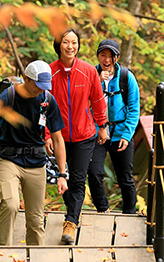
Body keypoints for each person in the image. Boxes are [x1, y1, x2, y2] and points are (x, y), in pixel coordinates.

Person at [0, 60, 68, 246]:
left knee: (35, 219)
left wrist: (62, 174)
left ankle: (35, 256)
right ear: (26, 78)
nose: (40, 90)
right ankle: (2, 253)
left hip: (36, 162)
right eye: (38, 85)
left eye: (44, 86)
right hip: (8, 159)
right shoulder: (7, 98)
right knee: (10, 205)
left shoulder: (47, 100)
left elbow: (58, 140)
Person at [45, 28, 108, 244]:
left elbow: (98, 100)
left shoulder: (89, 71)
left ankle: (70, 223)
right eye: (65, 42)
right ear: (58, 45)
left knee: (79, 179)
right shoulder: (50, 73)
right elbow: (42, 106)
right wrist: (46, 135)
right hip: (58, 137)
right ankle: (74, 209)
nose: (70, 46)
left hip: (84, 135)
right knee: (62, 179)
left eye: (74, 42)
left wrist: (102, 126)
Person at [87, 39, 140, 214]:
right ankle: (103, 209)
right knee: (94, 172)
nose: (107, 59)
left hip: (121, 133)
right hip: (97, 132)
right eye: (103, 55)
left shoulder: (126, 77)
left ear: (116, 58)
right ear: (98, 56)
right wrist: (97, 82)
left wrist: (127, 135)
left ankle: (129, 213)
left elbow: (134, 108)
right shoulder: (91, 75)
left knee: (125, 177)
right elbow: (83, 105)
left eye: (111, 56)